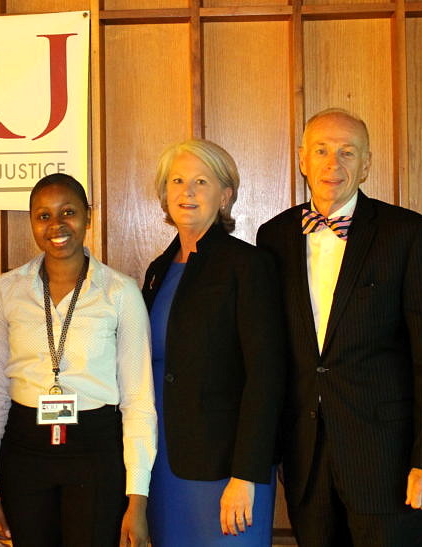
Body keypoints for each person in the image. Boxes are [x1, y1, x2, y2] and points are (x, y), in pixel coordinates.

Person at [256, 108, 422, 546]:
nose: (334, 164)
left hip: (388, 459)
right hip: (305, 455)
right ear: (302, 159)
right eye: (322, 151)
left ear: (367, 164)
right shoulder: (272, 237)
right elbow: (269, 353)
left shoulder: (408, 233)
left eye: (348, 152)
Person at [0, 173, 156, 547]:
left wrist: (137, 499)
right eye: (43, 216)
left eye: (68, 212)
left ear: (88, 217)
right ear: (31, 223)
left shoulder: (120, 292)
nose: (57, 225)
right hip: (24, 452)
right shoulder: (7, 290)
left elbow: (138, 400)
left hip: (96, 452)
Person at [141, 139, 285, 545]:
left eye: (201, 182)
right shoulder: (157, 270)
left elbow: (266, 375)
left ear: (225, 196)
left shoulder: (248, 265)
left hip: (226, 468)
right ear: (164, 194)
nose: (187, 192)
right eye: (178, 181)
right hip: (164, 462)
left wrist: (246, 474)